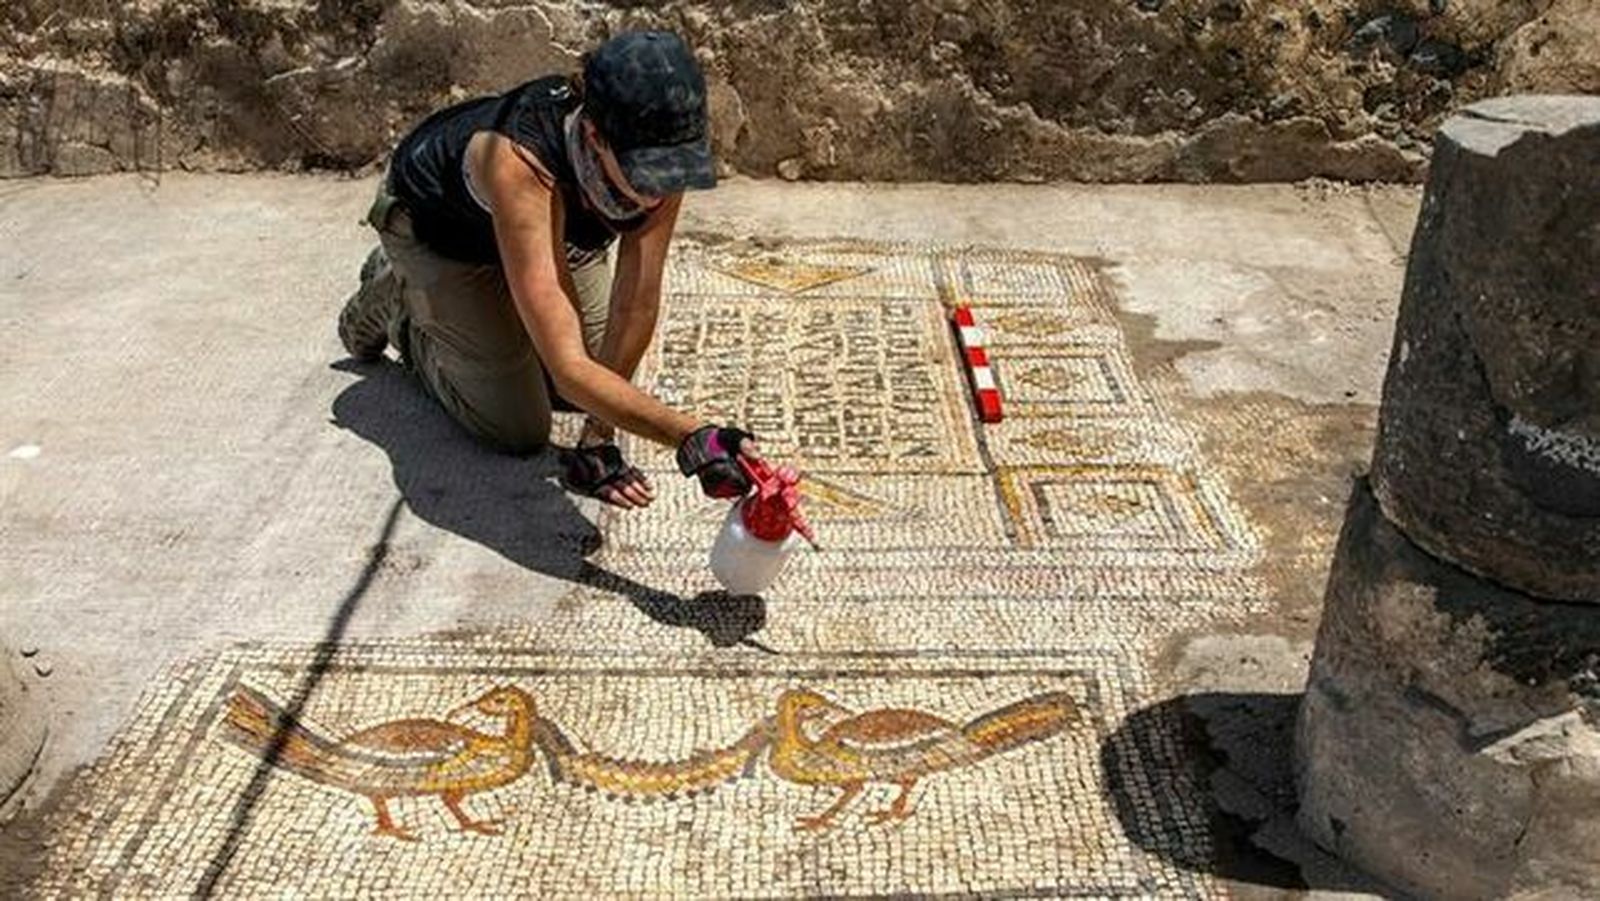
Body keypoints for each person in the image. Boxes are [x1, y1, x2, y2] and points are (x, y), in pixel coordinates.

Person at [337, 30, 757, 510]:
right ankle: (398, 298)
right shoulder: (521, 160)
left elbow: (636, 300)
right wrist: (691, 435)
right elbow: (568, 368)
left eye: (677, 168)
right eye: (649, 172)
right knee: (516, 427)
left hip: (548, 237)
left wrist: (598, 438)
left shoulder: (660, 138)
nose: (661, 189)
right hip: (441, 234)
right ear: (596, 136)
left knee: (600, 387)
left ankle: (492, 310)